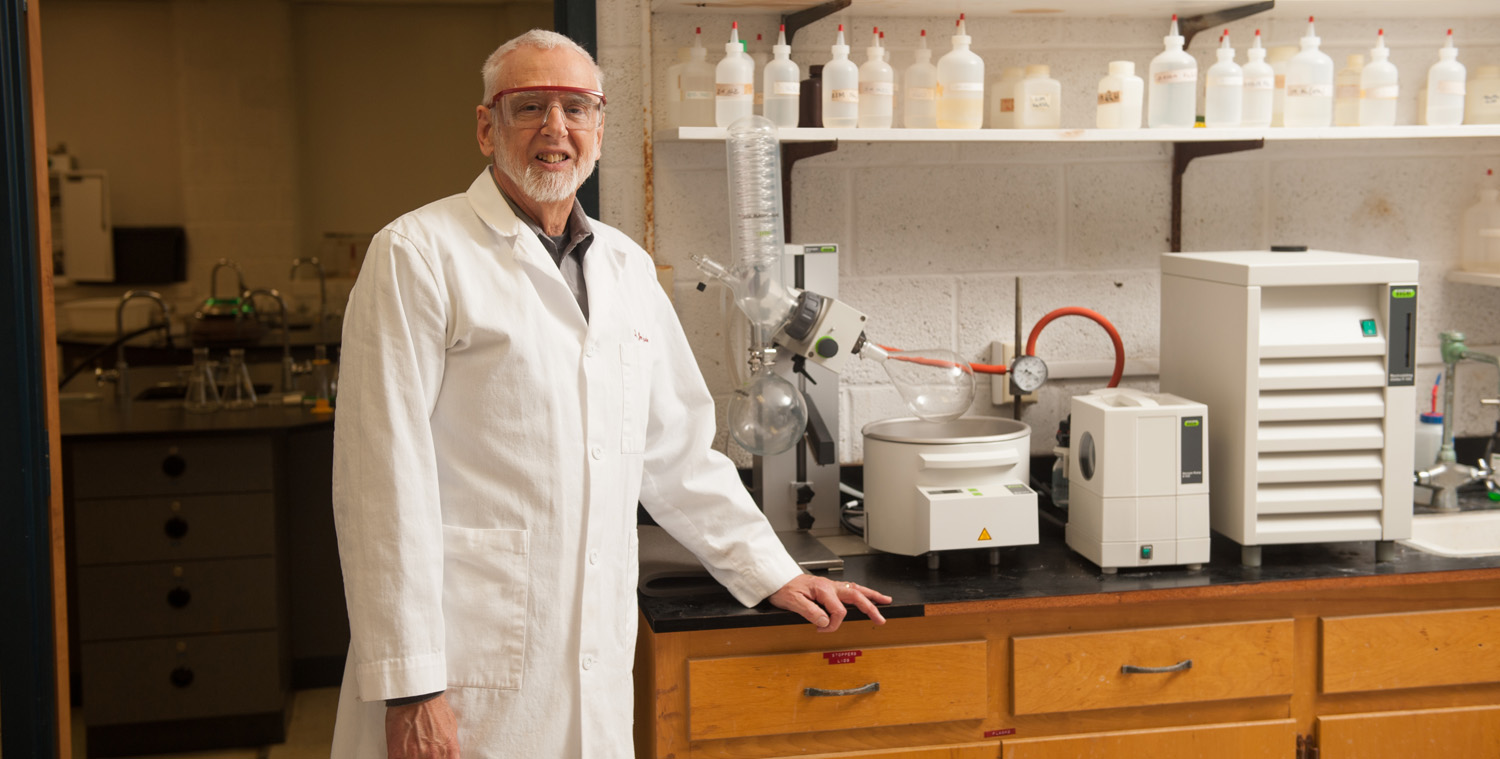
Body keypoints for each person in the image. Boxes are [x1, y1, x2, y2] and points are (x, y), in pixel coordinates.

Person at [328, 29, 891, 759]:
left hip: (591, 657)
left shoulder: (625, 267)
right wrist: (411, 687)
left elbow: (677, 455)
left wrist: (772, 569)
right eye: (528, 106)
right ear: (484, 127)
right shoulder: (417, 254)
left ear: (599, 127)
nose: (554, 130)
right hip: (463, 667)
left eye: (576, 107)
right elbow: (381, 487)